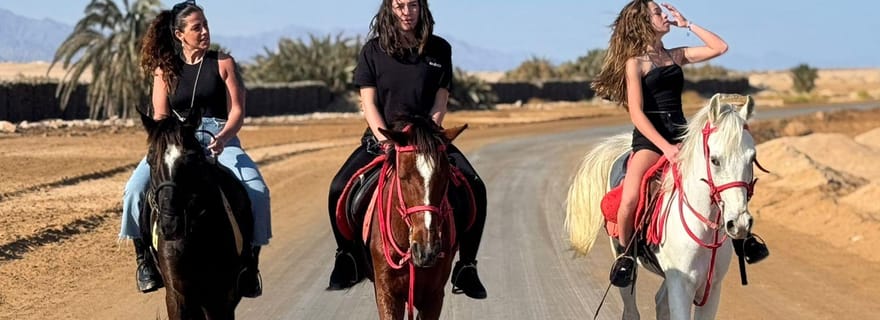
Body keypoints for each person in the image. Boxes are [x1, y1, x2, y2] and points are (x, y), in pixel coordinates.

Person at [591, 1, 767, 287]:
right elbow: (636, 112)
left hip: (682, 134)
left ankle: (743, 241)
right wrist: (665, 147)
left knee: (724, 178)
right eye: (658, 13)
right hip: (650, 140)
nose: (665, 16)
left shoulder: (674, 56)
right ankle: (625, 258)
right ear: (643, 22)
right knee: (630, 199)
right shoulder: (634, 63)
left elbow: (719, 47)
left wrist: (688, 25)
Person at [325, 0, 488, 299]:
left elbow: (440, 102)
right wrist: (385, 140)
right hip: (383, 139)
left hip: (427, 141)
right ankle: (346, 257)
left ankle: (467, 266)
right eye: (399, 5)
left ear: (422, 8)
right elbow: (369, 103)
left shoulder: (440, 50)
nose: (406, 11)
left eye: (412, 5)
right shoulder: (373, 51)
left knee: (475, 186)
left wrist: (430, 135)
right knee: (338, 187)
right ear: (389, 8)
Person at [120, 0, 269, 298]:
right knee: (135, 189)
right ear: (179, 34)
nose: (204, 32)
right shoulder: (165, 70)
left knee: (258, 192)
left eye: (206, 25)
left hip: (218, 136)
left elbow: (237, 111)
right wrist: (168, 142)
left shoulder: (223, 63)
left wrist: (225, 137)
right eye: (196, 27)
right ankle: (145, 261)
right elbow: (160, 118)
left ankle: (249, 267)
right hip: (176, 141)